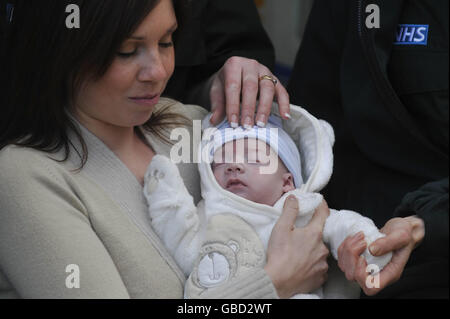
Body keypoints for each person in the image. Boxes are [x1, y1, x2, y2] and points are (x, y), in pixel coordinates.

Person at [0, 0, 329, 299]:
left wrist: (245, 92)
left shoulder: (182, 124)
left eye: (166, 41)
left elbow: (300, 174)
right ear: (61, 50)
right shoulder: (23, 177)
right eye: (128, 51)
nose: (158, 71)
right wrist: (273, 284)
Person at [144, 108, 393, 299]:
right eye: (221, 162)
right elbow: (182, 241)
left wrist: (369, 251)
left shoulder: (304, 210)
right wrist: (166, 197)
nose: (234, 166)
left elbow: (345, 226)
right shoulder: (209, 214)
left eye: (254, 159)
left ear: (287, 182)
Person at [287, 0, 447, 298]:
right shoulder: (348, 9)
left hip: (432, 241)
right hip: (350, 251)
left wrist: (425, 222)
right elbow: (310, 127)